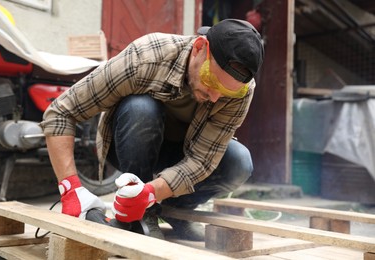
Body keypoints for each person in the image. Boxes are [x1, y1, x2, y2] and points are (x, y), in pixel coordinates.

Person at [40, 19, 264, 241]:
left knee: (239, 162)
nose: (215, 97)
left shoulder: (242, 91)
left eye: (226, 92)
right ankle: (140, 216)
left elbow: (202, 160)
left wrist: (149, 194)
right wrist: (70, 190)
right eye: (211, 81)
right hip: (129, 145)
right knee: (141, 107)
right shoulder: (146, 57)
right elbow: (61, 112)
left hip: (182, 156)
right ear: (199, 48)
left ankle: (175, 210)